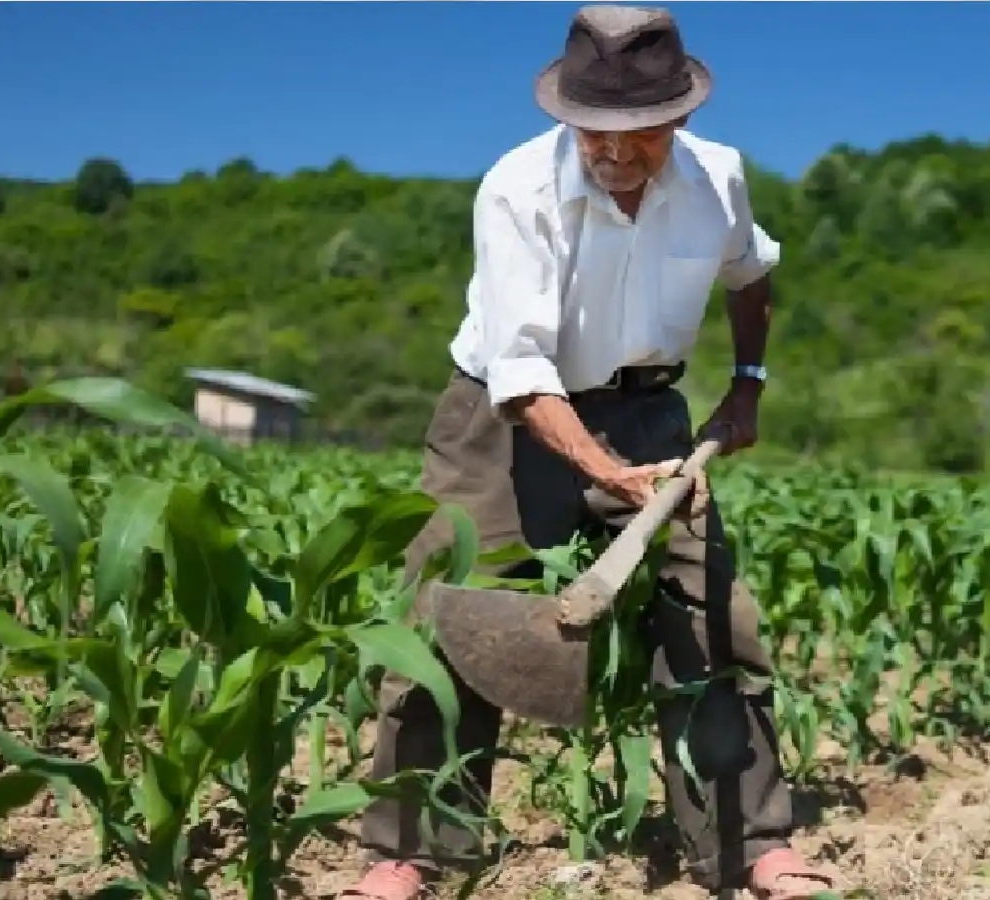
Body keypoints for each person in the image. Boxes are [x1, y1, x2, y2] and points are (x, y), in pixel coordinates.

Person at [339, 6, 834, 900]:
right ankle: (410, 851)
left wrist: (749, 380)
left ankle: (750, 843)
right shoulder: (517, 188)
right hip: (498, 417)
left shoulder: (718, 178)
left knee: (709, 612)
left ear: (677, 118)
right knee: (448, 612)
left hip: (649, 412)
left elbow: (750, 271)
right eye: (589, 129)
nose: (607, 151)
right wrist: (601, 471)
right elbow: (521, 369)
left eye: (632, 133)